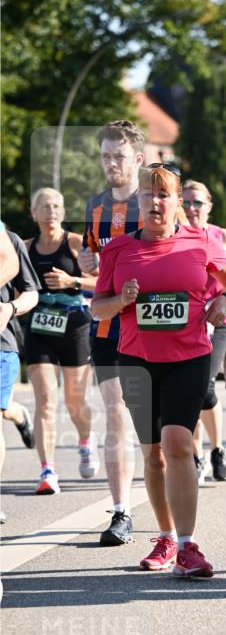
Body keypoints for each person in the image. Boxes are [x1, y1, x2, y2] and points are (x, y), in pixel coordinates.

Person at [92, 164, 226, 577]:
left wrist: (224, 302)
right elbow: (97, 306)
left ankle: (187, 545)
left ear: (178, 203)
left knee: (177, 442)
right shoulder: (118, 251)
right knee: (153, 454)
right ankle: (164, 536)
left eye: (164, 195)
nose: (156, 202)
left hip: (189, 356)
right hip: (137, 361)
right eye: (148, 194)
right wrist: (120, 300)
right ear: (138, 200)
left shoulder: (201, 242)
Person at [78, 120, 145, 545]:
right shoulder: (95, 208)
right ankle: (121, 512)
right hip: (106, 324)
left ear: (138, 158)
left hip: (153, 325)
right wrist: (88, 265)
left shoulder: (156, 202)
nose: (111, 163)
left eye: (118, 156)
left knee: (156, 423)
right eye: (105, 155)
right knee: (115, 413)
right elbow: (93, 262)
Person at [23, 189, 100, 494]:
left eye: (56, 206)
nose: (51, 211)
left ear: (63, 212)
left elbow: (105, 280)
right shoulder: (25, 249)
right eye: (45, 206)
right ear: (34, 212)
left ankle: (85, 439)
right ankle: (47, 470)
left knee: (74, 401)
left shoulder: (76, 243)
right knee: (45, 401)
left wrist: (73, 282)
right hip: (40, 329)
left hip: (75, 327)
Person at [182, 180, 226, 483]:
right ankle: (196, 455)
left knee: (204, 385)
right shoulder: (174, 236)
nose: (192, 209)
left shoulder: (221, 236)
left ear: (209, 206)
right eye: (186, 203)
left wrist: (223, 297)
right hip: (182, 320)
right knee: (188, 388)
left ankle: (218, 449)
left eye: (197, 203)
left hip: (216, 318)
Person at [0, 231, 40, 523]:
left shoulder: (8, 239)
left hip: (2, 342)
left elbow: (31, 292)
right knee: (4, 409)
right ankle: (19, 414)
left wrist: (10, 308)